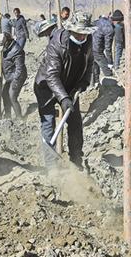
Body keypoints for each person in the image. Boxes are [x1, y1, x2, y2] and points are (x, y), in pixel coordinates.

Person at [33, 12, 94, 170]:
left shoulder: (88, 40)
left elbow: (90, 62)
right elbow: (52, 75)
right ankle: (52, 168)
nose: (82, 37)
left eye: (84, 33)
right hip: (46, 86)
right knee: (48, 123)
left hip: (70, 86)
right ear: (71, 30)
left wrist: (84, 83)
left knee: (75, 124)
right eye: (78, 33)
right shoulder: (58, 43)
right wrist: (63, 98)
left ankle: (76, 161)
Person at [0, 33, 27, 119]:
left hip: (18, 76)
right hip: (9, 76)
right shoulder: (5, 48)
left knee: (12, 96)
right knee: (4, 94)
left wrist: (15, 83)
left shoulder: (17, 51)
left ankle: (19, 118)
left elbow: (19, 69)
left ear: (7, 42)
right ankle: (7, 116)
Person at [91, 15, 115, 85]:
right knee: (107, 70)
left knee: (94, 67)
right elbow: (108, 48)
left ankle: (95, 84)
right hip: (97, 50)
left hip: (90, 48)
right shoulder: (109, 29)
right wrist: (110, 62)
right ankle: (111, 87)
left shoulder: (98, 21)